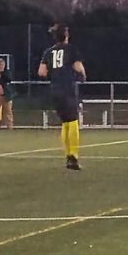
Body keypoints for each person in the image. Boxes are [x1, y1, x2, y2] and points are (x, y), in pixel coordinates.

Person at [39, 24, 86, 170]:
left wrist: (54, 74)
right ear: (65, 35)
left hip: (55, 90)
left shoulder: (48, 52)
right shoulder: (71, 49)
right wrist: (83, 75)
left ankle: (68, 155)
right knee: (73, 122)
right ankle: (73, 156)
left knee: (65, 122)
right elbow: (78, 66)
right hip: (67, 88)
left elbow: (41, 72)